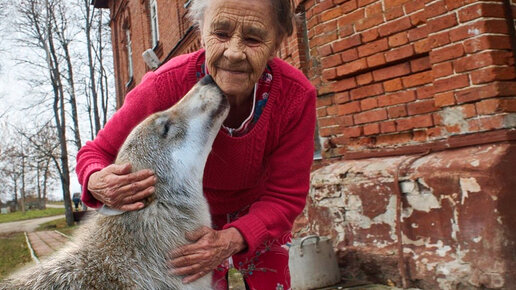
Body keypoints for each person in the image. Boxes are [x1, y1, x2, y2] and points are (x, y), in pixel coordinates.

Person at [75, 0, 316, 288]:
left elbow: (285, 196)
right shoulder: (165, 85)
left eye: (253, 38)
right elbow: (96, 152)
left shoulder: (295, 96)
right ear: (201, 31)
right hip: (191, 213)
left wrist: (232, 238)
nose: (234, 52)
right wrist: (97, 180)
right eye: (221, 34)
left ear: (277, 42)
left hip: (258, 208)